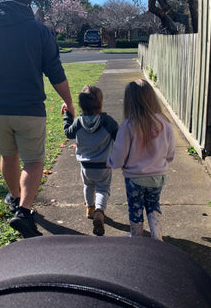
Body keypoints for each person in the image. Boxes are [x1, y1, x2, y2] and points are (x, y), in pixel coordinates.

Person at [0, 0, 75, 239]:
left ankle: (14, 198)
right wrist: (68, 101)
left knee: (7, 154)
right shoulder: (40, 32)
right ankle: (24, 211)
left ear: (1, 4)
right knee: (33, 161)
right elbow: (55, 72)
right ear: (27, 7)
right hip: (30, 109)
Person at [107, 79, 175, 241]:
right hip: (157, 176)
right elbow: (170, 152)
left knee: (135, 208)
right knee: (153, 206)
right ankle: (157, 236)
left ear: (130, 101)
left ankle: (137, 238)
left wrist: (111, 162)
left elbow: (119, 154)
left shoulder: (128, 125)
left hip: (135, 179)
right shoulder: (165, 123)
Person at [63, 85, 118, 236]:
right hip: (104, 165)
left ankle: (90, 208)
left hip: (85, 165)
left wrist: (68, 115)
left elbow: (68, 133)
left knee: (88, 185)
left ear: (81, 106)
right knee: (102, 188)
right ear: (100, 104)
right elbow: (119, 139)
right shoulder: (107, 121)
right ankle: (100, 211)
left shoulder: (79, 122)